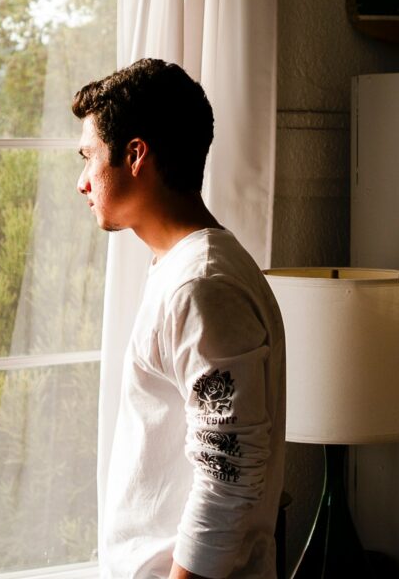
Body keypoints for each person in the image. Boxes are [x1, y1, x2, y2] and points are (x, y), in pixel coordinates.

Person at [73, 58, 285, 579]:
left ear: (135, 154)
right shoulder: (187, 269)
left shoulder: (202, 285)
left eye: (88, 157)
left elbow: (229, 471)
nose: (82, 182)